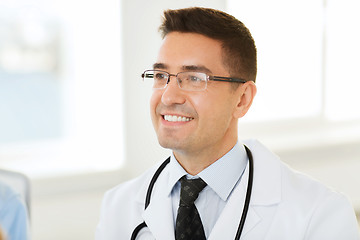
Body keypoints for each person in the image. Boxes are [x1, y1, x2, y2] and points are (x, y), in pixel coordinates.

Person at [96, 7, 360, 240]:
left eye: (194, 78)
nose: (168, 96)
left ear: (242, 99)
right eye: (161, 75)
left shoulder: (320, 215)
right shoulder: (118, 207)